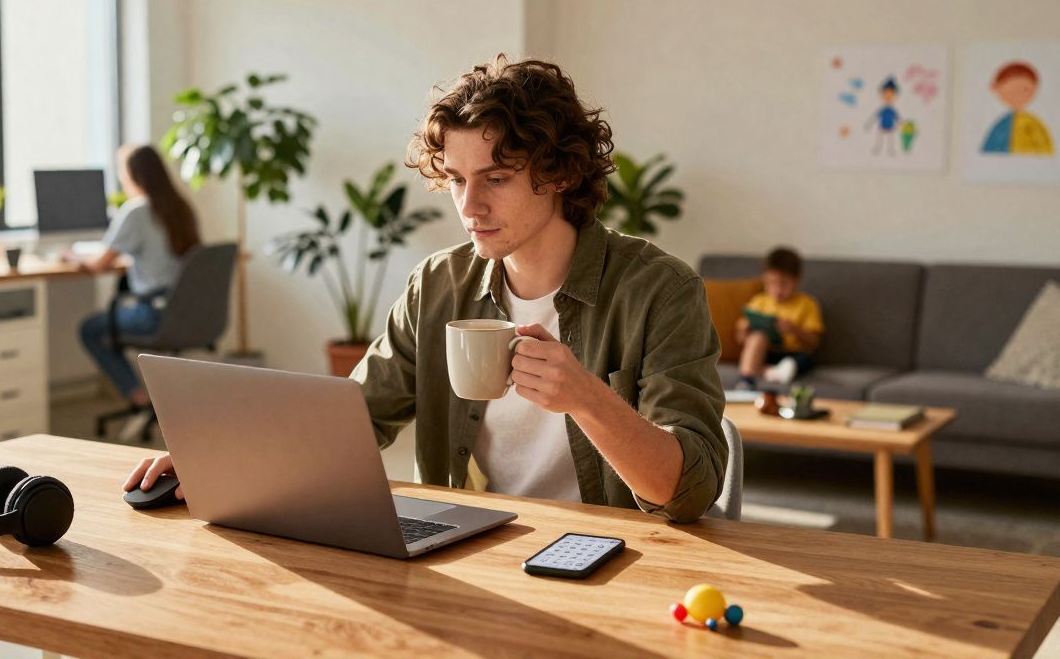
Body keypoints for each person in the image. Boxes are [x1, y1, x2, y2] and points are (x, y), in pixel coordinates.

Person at [125, 56, 727, 522]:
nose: (470, 206)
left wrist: (587, 399)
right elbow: (354, 419)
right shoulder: (439, 283)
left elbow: (689, 491)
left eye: (496, 178)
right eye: (459, 179)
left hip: (613, 557)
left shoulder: (660, 290)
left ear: (561, 173)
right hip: (474, 546)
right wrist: (219, 459)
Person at [77, 144, 201, 414]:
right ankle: (150, 397)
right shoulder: (181, 207)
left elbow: (100, 264)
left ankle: (138, 395)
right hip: (187, 312)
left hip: (154, 314)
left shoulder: (137, 211)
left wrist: (71, 258)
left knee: (89, 329)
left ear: (133, 175)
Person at [735, 247, 824, 390]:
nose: (778, 289)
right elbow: (742, 340)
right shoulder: (759, 302)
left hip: (793, 354)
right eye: (771, 283)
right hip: (767, 352)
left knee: (804, 360)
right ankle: (747, 381)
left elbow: (814, 342)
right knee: (757, 337)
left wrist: (794, 329)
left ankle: (771, 372)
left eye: (784, 284)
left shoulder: (808, 304)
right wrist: (744, 329)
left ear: (797, 280)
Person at [981, 61, 1054, 155]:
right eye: (1011, 90)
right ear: (998, 89)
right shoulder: (1002, 126)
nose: (1018, 95)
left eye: (1025, 89)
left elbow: (1046, 151)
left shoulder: (1032, 124)